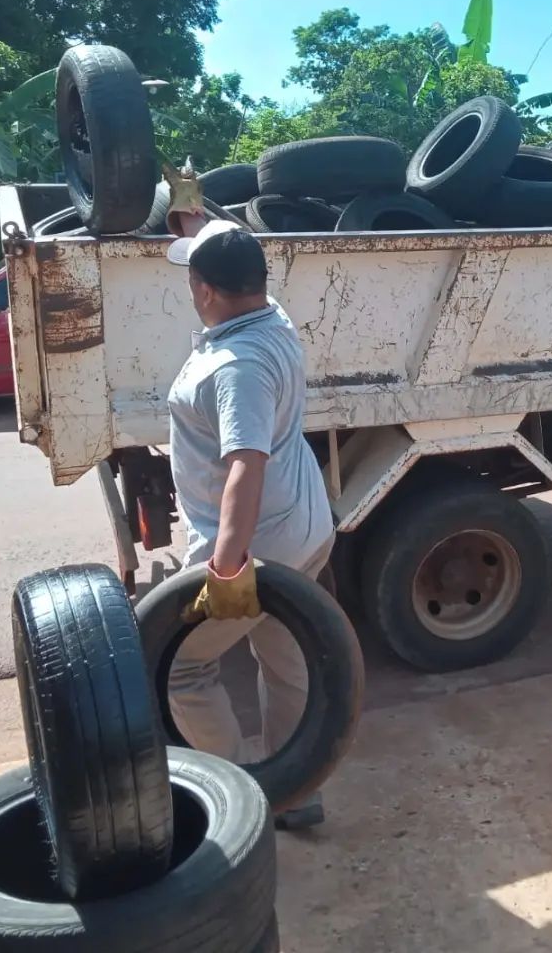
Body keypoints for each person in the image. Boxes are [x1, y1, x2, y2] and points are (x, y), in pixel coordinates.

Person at [164, 201, 334, 830]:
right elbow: (232, 251)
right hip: (303, 529)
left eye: (192, 279)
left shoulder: (238, 367)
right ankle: (295, 789)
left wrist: (226, 567)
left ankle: (241, 791)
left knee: (184, 666)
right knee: (285, 661)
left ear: (205, 291)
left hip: (257, 550)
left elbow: (245, 464)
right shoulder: (273, 319)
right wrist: (194, 215)